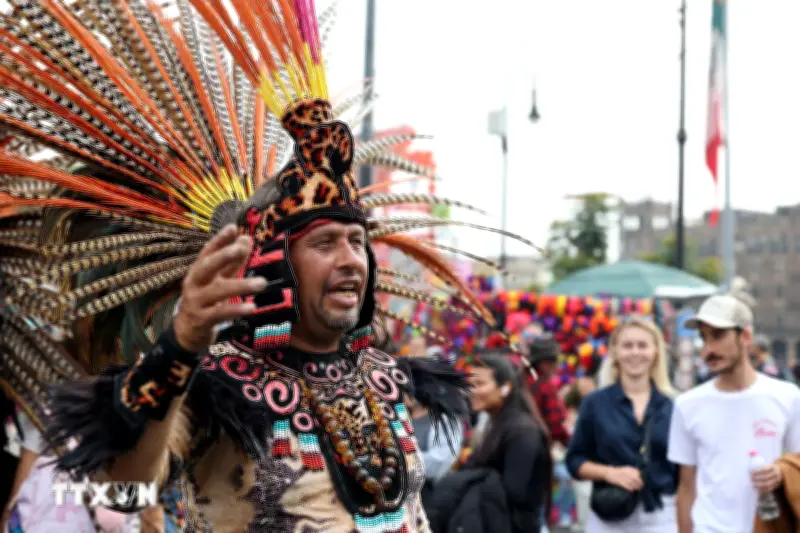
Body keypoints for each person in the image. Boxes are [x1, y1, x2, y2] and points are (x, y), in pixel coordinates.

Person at [0, 3, 536, 533]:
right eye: (324, 242)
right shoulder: (214, 383)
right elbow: (120, 489)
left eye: (357, 241)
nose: (351, 259)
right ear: (275, 262)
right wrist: (182, 343)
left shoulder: (386, 377)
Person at [668, 294, 800, 533]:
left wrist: (781, 472)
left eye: (718, 336)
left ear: (745, 336)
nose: (708, 349)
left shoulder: (787, 396)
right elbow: (686, 487)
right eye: (704, 338)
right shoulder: (687, 405)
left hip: (768, 526)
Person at [566, 316, 678, 533]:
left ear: (655, 352)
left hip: (662, 516)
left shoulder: (673, 406)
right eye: (627, 346)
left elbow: (685, 471)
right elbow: (574, 460)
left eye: (642, 345)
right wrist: (609, 473)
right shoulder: (595, 403)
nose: (635, 352)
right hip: (610, 516)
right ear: (615, 352)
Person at [428, 350, 552, 533]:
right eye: (470, 384)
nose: (471, 391)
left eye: (480, 384)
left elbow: (514, 494)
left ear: (505, 387)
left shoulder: (523, 432)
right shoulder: (496, 424)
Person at [527, 337, 571, 447]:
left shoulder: (522, 380)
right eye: (554, 361)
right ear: (544, 362)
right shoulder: (544, 386)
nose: (556, 366)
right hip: (536, 443)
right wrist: (572, 444)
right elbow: (556, 424)